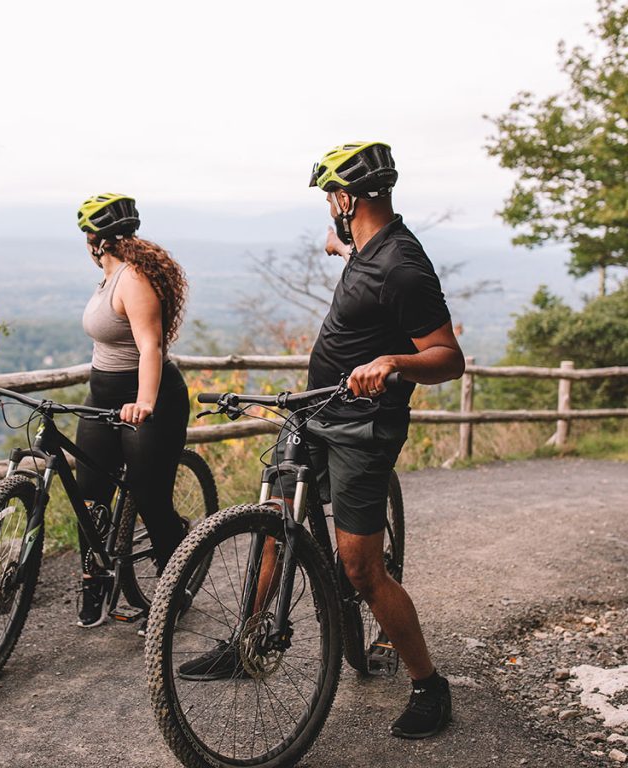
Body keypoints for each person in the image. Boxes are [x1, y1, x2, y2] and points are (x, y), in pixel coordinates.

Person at [179, 142, 464, 740]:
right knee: (272, 526)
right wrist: (338, 245)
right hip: (313, 414)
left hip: (364, 428)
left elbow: (448, 357)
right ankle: (249, 642)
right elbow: (350, 252)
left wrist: (392, 361)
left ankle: (428, 684)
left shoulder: (403, 265)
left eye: (331, 197)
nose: (330, 208)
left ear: (348, 198)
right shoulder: (366, 247)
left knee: (361, 570)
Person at [74, 193, 191, 629]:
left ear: (95, 239)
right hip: (102, 396)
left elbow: (150, 345)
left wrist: (144, 402)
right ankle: (95, 582)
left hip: (149, 398)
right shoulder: (107, 278)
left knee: (149, 496)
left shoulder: (134, 279)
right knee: (90, 497)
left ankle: (173, 592)